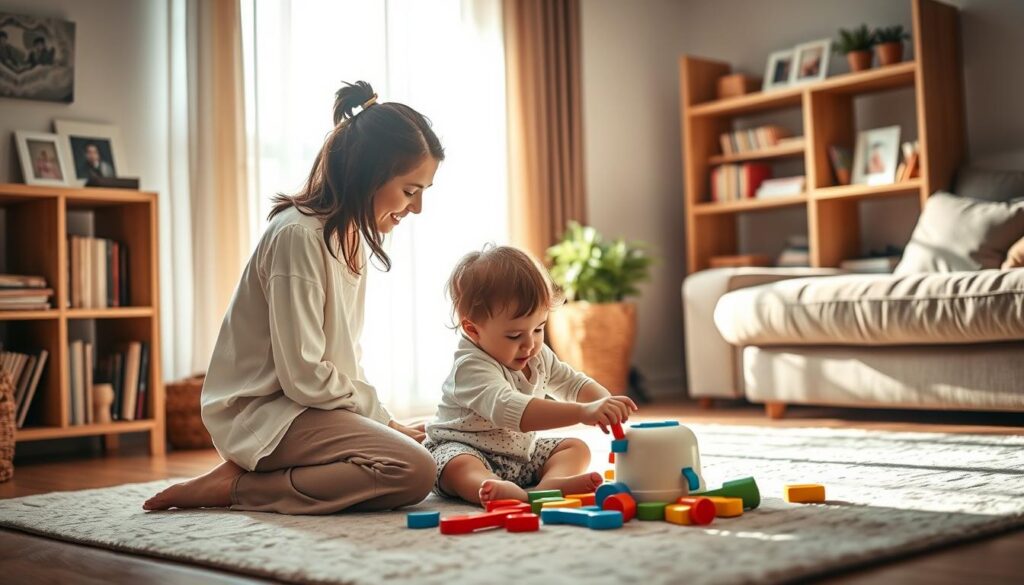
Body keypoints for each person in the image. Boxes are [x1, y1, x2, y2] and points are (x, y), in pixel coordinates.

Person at [144, 80, 445, 514]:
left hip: (302, 406)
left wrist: (381, 421)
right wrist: (381, 420)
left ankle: (249, 478)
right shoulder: (298, 237)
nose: (415, 209)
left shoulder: (347, 238)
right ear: (368, 174)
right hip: (263, 411)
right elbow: (304, 373)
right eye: (410, 190)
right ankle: (238, 489)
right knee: (413, 470)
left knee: (419, 452)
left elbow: (340, 356)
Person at [426, 245, 638, 505]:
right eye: (514, 335)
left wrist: (605, 403)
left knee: (575, 448)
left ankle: (547, 487)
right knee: (458, 467)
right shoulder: (471, 366)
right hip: (463, 449)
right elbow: (512, 410)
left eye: (539, 328)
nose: (530, 344)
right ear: (473, 329)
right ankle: (490, 488)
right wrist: (583, 413)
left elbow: (573, 383)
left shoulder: (536, 354)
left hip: (520, 457)